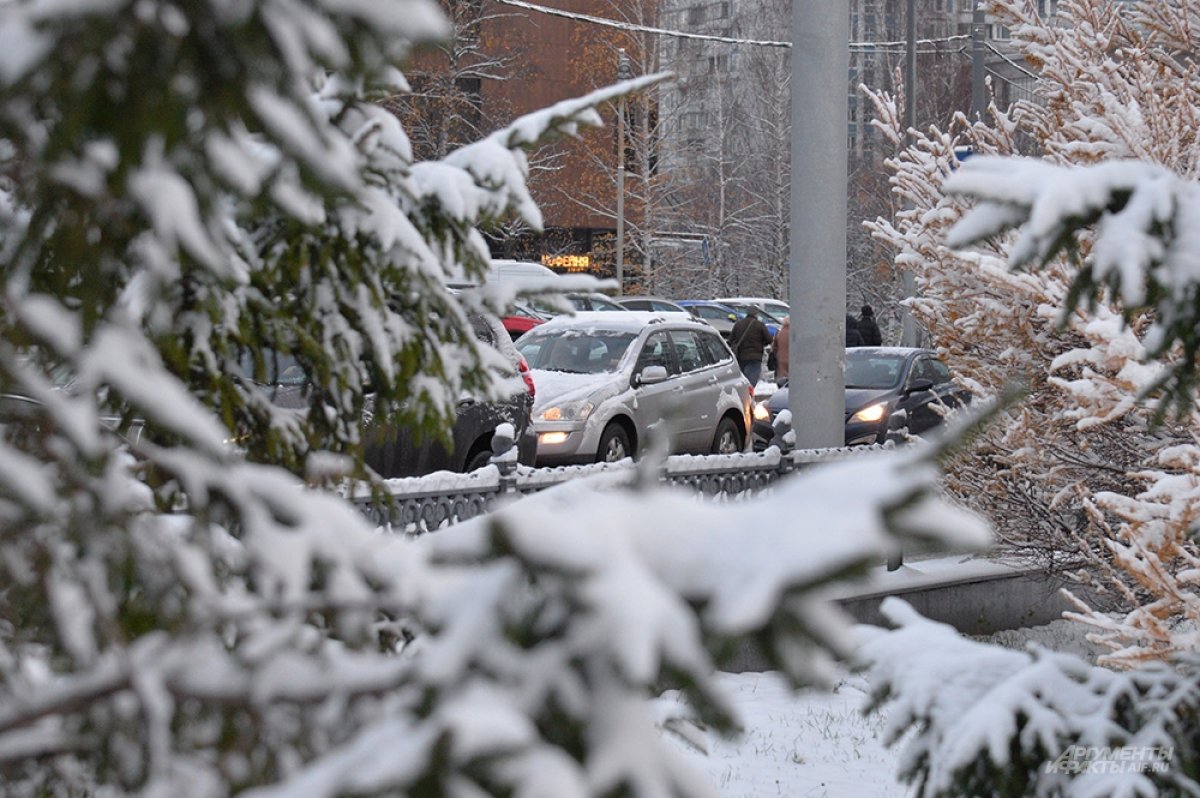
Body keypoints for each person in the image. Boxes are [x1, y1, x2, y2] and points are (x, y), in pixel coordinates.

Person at [729, 307, 773, 386]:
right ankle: (748, 395)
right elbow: (769, 339)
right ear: (756, 314)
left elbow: (731, 339)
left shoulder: (738, 324)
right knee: (751, 381)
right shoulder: (760, 325)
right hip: (755, 357)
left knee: (743, 379)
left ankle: (744, 394)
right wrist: (762, 343)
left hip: (741, 356)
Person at [773, 317, 790, 385]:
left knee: (783, 377)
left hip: (780, 358)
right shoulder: (794, 332)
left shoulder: (779, 332)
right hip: (791, 357)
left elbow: (774, 346)